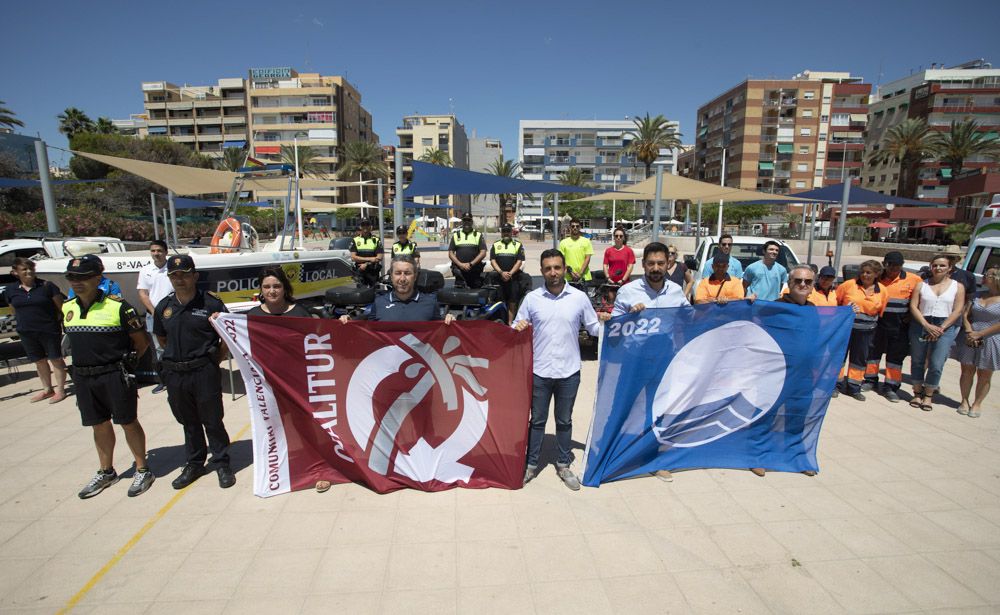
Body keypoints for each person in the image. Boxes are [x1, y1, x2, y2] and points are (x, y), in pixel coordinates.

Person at [62, 254, 154, 499]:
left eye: (83, 277)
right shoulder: (67, 308)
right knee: (98, 424)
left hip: (114, 374)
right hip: (84, 376)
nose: (76, 282)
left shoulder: (119, 307)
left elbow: (141, 342)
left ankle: (142, 469)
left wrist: (129, 364)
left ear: (98, 278)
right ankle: (106, 471)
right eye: (72, 277)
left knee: (127, 421)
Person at [515, 249, 606, 491]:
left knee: (564, 421)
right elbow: (516, 324)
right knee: (537, 422)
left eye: (557, 267)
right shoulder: (532, 298)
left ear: (565, 268)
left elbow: (595, 328)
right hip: (540, 372)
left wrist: (612, 322)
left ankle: (564, 464)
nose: (553, 272)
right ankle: (531, 465)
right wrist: (519, 325)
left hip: (569, 372)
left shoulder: (578, 298)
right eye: (548, 268)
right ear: (542, 271)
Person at [611, 241, 690, 483]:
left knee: (657, 410)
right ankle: (611, 455)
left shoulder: (676, 291)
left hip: (663, 358)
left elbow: (692, 318)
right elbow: (613, 329)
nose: (656, 268)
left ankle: (653, 458)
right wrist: (629, 316)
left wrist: (721, 310)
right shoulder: (628, 291)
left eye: (660, 263)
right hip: (633, 359)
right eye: (651, 263)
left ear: (668, 264)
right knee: (621, 406)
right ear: (643, 265)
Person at [154, 255, 235, 489]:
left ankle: (221, 462)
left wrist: (213, 360)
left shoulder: (211, 304)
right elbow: (162, 337)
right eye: (174, 275)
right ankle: (195, 462)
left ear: (195, 276)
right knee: (188, 421)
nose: (179, 279)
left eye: (184, 274)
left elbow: (225, 336)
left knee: (212, 419)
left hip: (203, 372)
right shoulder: (165, 307)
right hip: (176, 374)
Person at [5, 258, 68, 403]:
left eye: (31, 268)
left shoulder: (47, 286)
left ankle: (61, 390)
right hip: (26, 331)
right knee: (39, 361)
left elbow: (61, 308)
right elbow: (14, 310)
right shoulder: (10, 290)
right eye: (24, 269)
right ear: (15, 273)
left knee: (56, 359)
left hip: (49, 330)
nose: (29, 272)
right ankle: (47, 389)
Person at [908, 254, 965, 412]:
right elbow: (914, 306)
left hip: (944, 326)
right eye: (935, 265)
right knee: (918, 360)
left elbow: (958, 310)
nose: (938, 268)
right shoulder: (922, 285)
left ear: (949, 268)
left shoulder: (957, 286)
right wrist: (926, 325)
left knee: (937, 363)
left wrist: (941, 328)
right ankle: (917, 392)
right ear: (931, 266)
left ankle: (928, 395)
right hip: (922, 323)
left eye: (942, 266)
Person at [863, 252, 920, 402]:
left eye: (897, 265)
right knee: (873, 355)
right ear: (884, 264)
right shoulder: (877, 278)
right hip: (878, 324)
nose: (894, 268)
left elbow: (919, 302)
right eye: (890, 265)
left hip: (900, 326)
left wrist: (910, 317)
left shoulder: (914, 280)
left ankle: (891, 387)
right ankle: (870, 380)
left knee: (895, 359)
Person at [340, 255, 455, 323]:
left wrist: (449, 320)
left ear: (415, 277)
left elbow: (440, 333)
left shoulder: (430, 303)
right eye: (398, 273)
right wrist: (350, 321)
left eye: (407, 273)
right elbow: (366, 327)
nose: (402, 278)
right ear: (391, 276)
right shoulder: (379, 303)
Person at [835, 260, 889, 401]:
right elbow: (837, 302)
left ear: (877, 274)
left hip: (866, 331)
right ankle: (836, 385)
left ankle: (854, 387)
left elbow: (880, 311)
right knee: (839, 357)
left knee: (859, 360)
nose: (864, 275)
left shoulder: (882, 290)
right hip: (845, 329)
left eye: (868, 272)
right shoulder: (848, 285)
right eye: (863, 271)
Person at [951, 267, 999, 418]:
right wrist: (969, 330)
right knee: (967, 370)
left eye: (987, 275)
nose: (983, 276)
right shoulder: (977, 295)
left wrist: (981, 333)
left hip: (991, 337)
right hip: (970, 335)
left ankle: (977, 403)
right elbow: (965, 314)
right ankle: (964, 401)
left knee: (985, 374)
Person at [136, 240, 173, 394]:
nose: (156, 254)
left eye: (159, 250)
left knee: (177, 346)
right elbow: (143, 293)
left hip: (174, 314)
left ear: (166, 252)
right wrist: (154, 312)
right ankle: (164, 381)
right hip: (154, 316)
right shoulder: (145, 270)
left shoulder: (172, 268)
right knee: (159, 350)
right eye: (153, 251)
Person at [488, 223, 528, 324]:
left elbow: (519, 261)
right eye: (504, 231)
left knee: (512, 302)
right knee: (499, 301)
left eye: (508, 231)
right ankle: (500, 322)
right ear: (501, 233)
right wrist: (501, 272)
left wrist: (510, 273)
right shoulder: (496, 244)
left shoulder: (518, 245)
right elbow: (493, 260)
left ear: (511, 232)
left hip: (513, 279)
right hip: (499, 278)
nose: (506, 233)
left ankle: (510, 323)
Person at [246, 266, 312, 318]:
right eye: (267, 287)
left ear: (285, 288)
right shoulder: (253, 315)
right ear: (261, 289)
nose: (272, 291)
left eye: (276, 286)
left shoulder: (301, 314)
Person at [448, 212, 487, 289]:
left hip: (474, 271)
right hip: (460, 273)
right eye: (465, 220)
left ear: (471, 222)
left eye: (468, 220)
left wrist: (471, 264)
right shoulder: (456, 235)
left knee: (475, 296)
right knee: (459, 297)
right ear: (462, 222)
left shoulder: (478, 235)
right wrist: (460, 264)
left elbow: (483, 252)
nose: (466, 222)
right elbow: (450, 253)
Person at [349, 218, 383, 288]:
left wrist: (366, 264)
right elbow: (353, 257)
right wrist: (371, 259)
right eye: (363, 224)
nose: (365, 226)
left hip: (373, 272)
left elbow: (379, 257)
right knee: (361, 295)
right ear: (360, 227)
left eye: (367, 224)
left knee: (375, 295)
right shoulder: (355, 240)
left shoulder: (376, 240)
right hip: (360, 272)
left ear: (370, 226)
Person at [559, 218, 594, 283]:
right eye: (573, 226)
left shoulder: (586, 241)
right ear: (570, 228)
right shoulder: (563, 242)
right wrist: (571, 273)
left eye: (577, 226)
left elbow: (587, 258)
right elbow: (561, 259)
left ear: (580, 227)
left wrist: (580, 273)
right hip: (568, 278)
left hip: (584, 278)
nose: (575, 228)